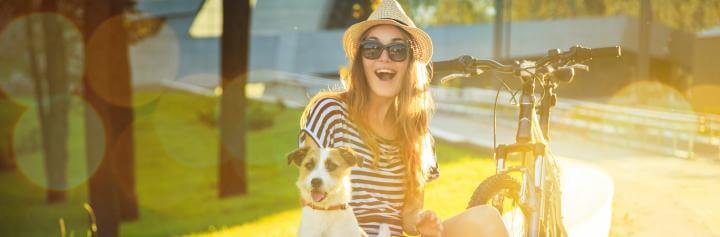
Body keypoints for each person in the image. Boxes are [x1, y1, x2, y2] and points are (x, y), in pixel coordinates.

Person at [297, 0, 509, 236]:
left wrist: (421, 222)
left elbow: (408, 219)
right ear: (360, 61)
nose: (384, 58)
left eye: (397, 51)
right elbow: (311, 192)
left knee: (486, 219)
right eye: (372, 48)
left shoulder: (418, 136)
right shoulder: (330, 111)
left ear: (410, 64)